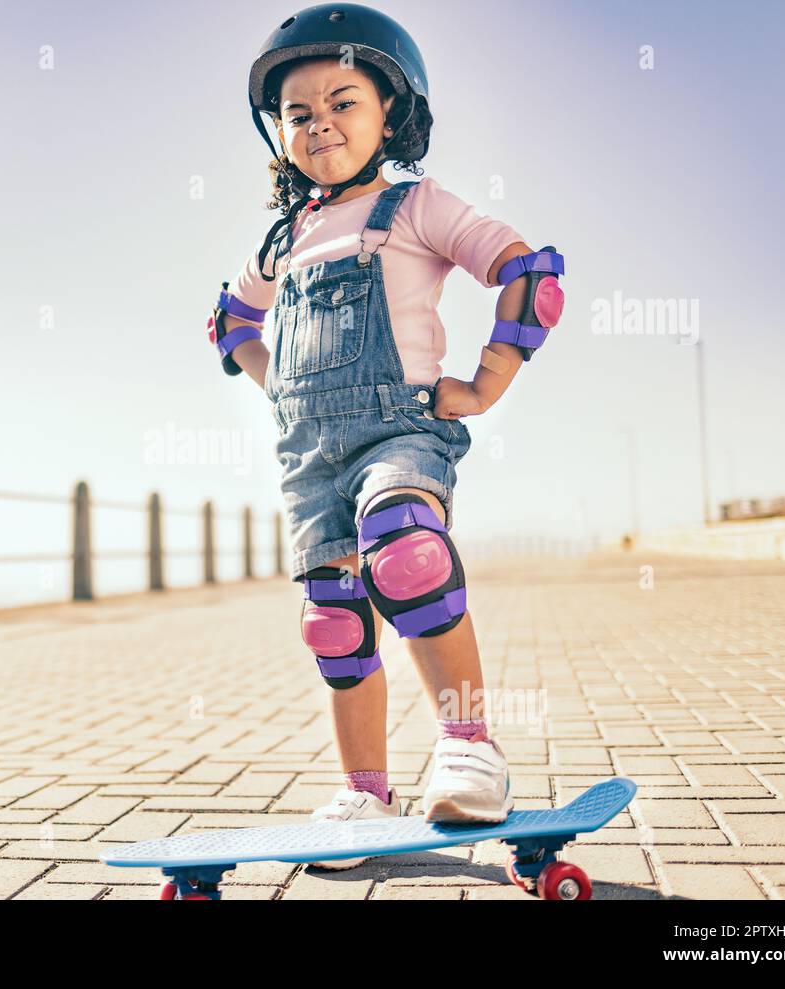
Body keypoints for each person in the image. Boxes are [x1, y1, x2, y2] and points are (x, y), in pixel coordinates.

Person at [206, 3, 565, 868]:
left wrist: (484, 384)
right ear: (279, 131)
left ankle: (473, 748)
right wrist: (279, 384)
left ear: (391, 114)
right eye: (299, 113)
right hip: (307, 453)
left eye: (343, 101)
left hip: (399, 428)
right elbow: (230, 323)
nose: (320, 123)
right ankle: (365, 792)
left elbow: (527, 274)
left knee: (406, 554)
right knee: (334, 621)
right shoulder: (284, 239)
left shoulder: (416, 205)